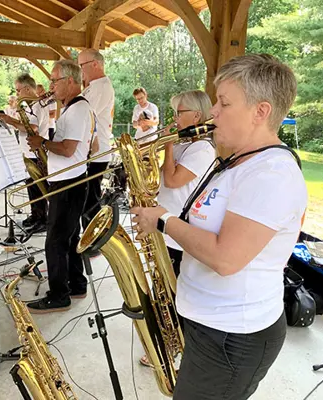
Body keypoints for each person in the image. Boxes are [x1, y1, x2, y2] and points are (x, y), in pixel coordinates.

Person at [131, 54, 308, 399]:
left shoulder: (271, 174)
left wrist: (163, 220)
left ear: (261, 111)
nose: (213, 111)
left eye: (224, 103)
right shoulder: (236, 160)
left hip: (232, 337)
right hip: (211, 324)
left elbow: (226, 259)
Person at [139, 90, 216, 367]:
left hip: (177, 230)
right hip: (165, 225)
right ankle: (166, 341)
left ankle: (171, 346)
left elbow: (172, 181)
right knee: (162, 288)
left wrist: (167, 143)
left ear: (196, 115)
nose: (175, 119)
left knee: (171, 294)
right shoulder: (186, 144)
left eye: (179, 113)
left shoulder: (202, 149)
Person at [26, 60, 97, 313]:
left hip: (69, 183)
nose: (51, 86)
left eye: (55, 81)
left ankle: (59, 294)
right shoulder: (72, 108)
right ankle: (77, 283)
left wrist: (42, 143)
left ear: (70, 81)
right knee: (69, 237)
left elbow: (68, 149)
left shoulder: (78, 109)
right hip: (70, 181)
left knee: (55, 241)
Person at [0, 74, 49, 233]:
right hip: (29, 152)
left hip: (36, 154)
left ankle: (42, 219)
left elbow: (32, 128)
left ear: (27, 88)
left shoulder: (38, 105)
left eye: (18, 90)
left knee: (37, 189)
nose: (17, 94)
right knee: (31, 188)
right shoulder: (28, 105)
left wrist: (10, 120)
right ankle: (35, 215)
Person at [78, 49, 115, 228]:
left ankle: (92, 242)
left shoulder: (101, 86)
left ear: (95, 64)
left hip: (97, 153)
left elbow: (84, 115)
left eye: (81, 66)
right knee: (86, 198)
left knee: (90, 201)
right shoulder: (94, 86)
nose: (80, 71)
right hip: (92, 152)